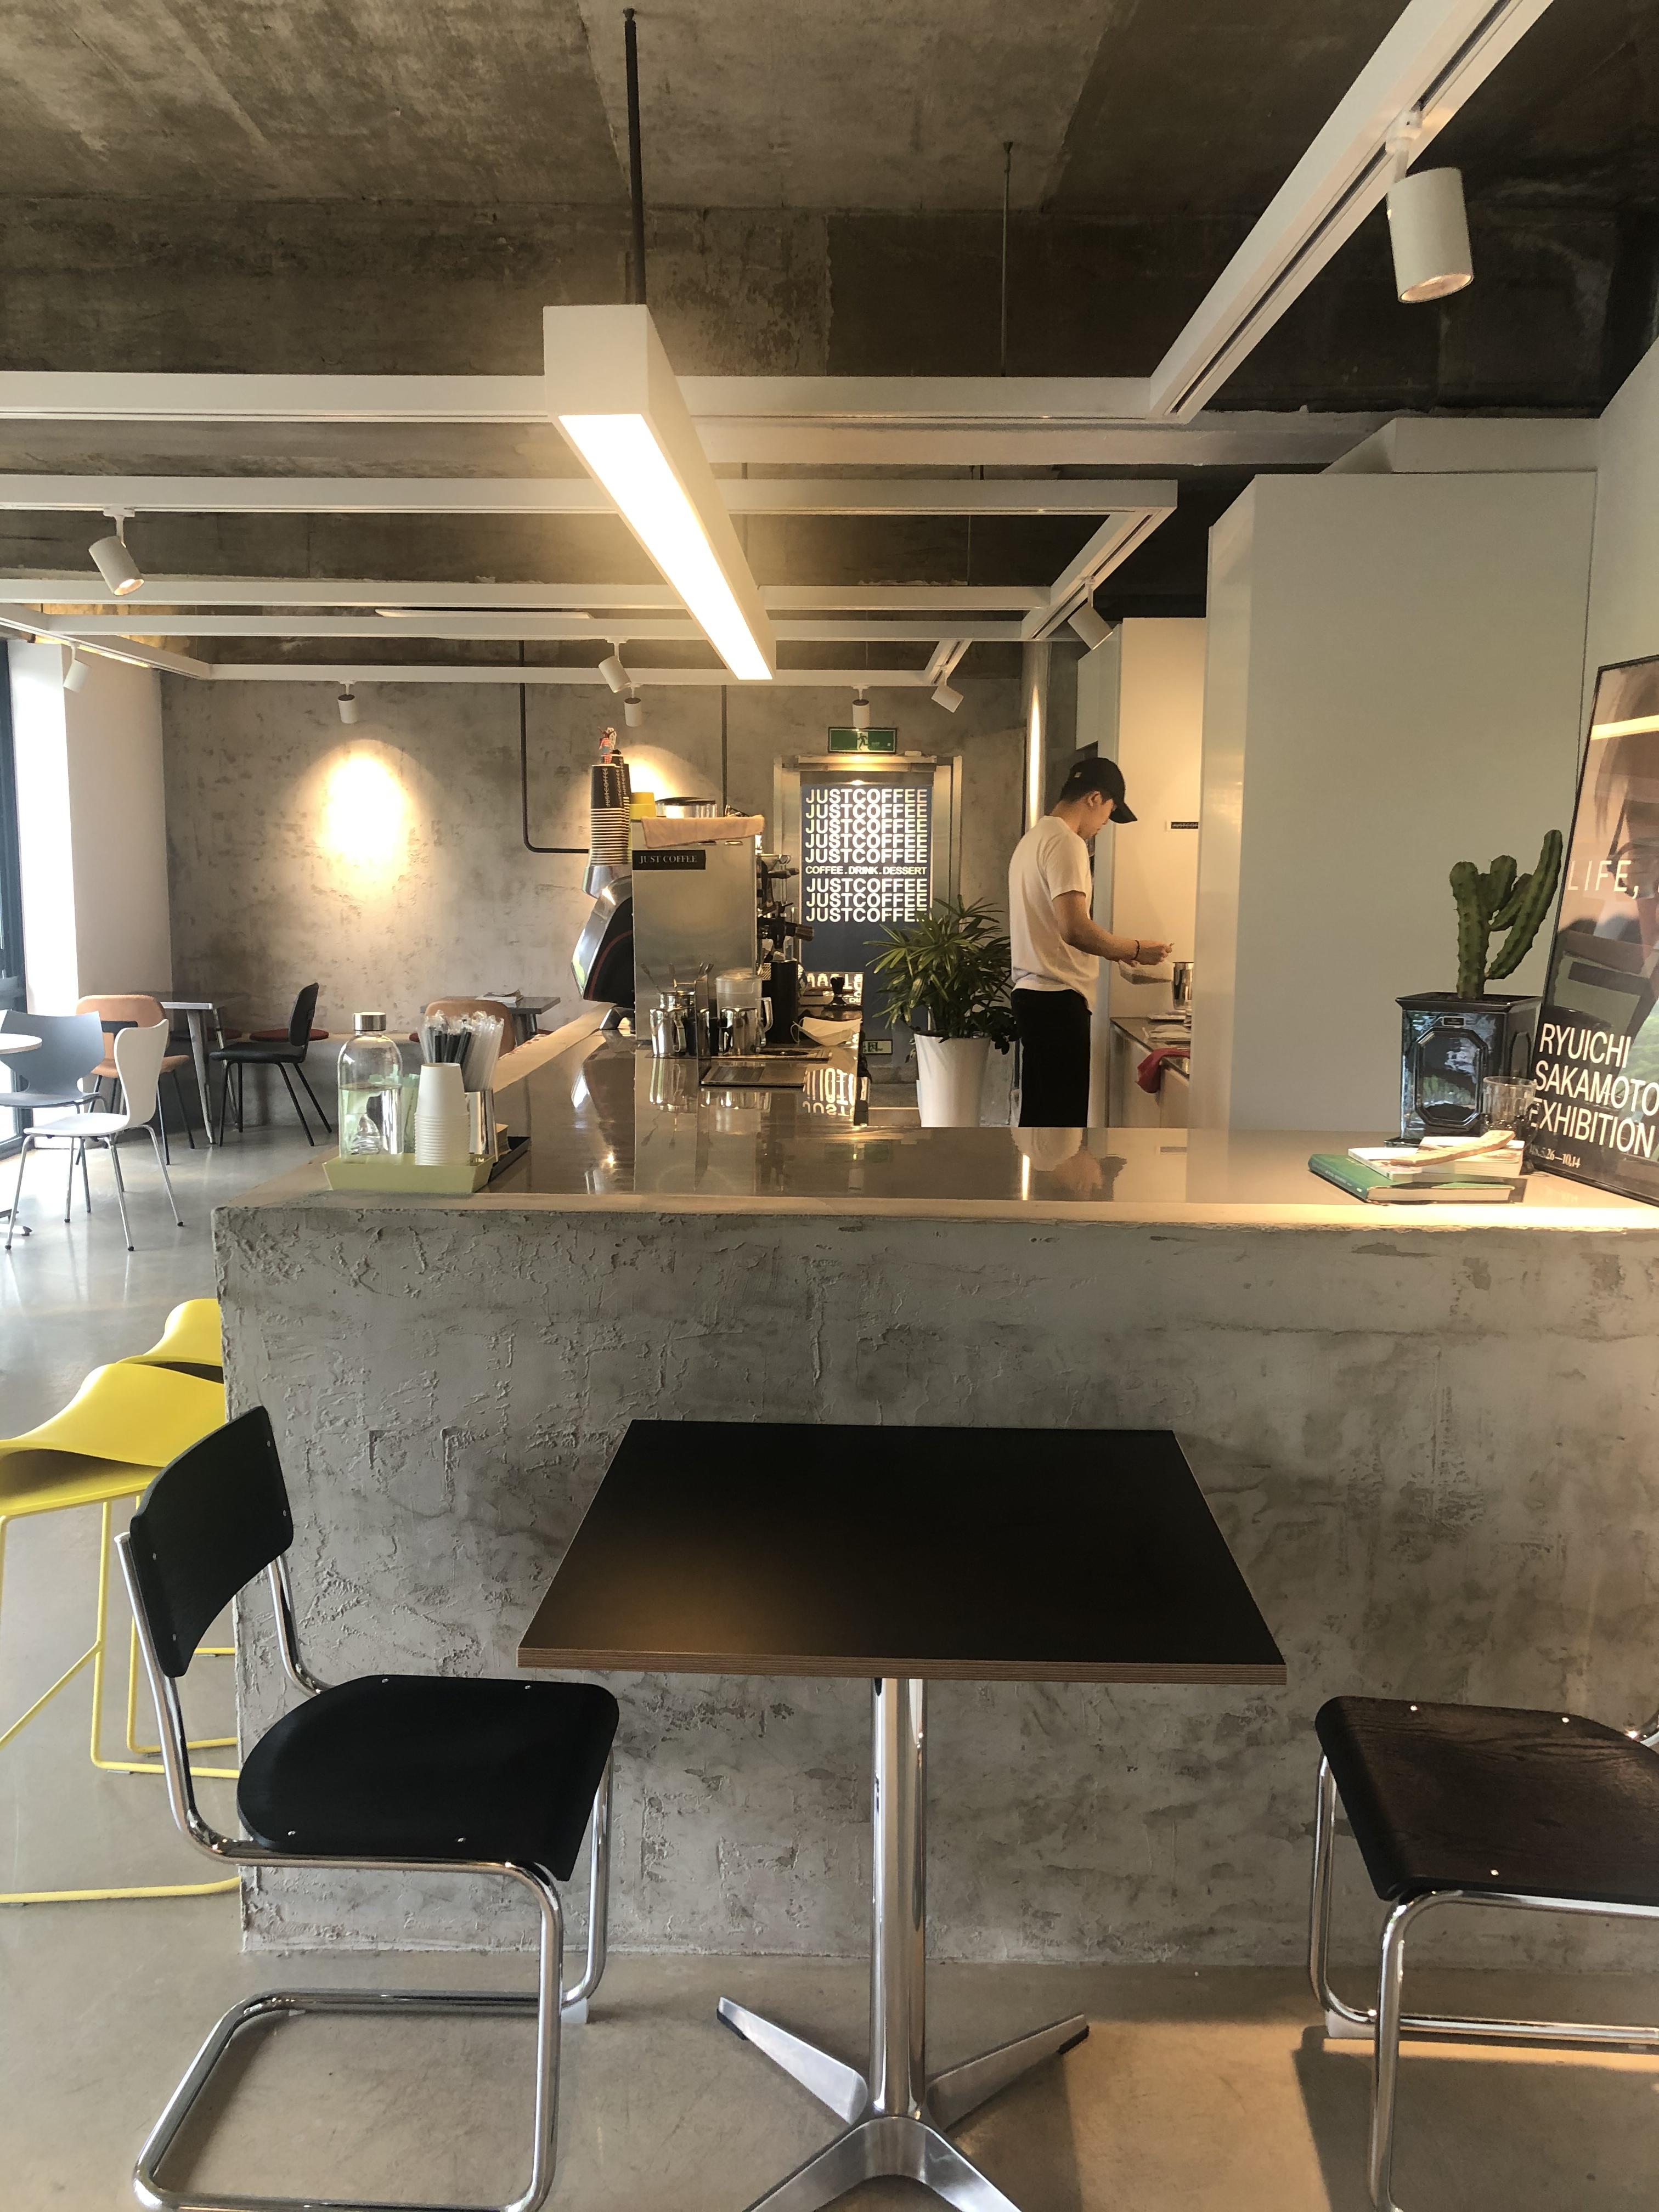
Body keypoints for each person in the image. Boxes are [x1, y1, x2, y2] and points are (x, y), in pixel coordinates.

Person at [1007, 756, 1171, 1126]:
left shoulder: (1034, 839)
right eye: (1109, 813)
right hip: (1057, 1000)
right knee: (1061, 1127)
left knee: (1042, 1121)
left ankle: (1043, 1168)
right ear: (1095, 798)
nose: (1104, 825)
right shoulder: (1066, 843)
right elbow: (1075, 929)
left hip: (1034, 995)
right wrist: (1134, 950)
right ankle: (1063, 1169)